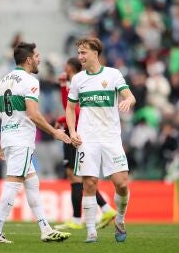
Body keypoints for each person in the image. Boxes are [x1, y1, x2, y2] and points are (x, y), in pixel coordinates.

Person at [0, 42, 71, 243]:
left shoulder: (3, 80)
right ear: (28, 59)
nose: (39, 59)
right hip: (21, 139)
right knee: (14, 182)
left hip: (8, 138)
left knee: (32, 182)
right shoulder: (30, 81)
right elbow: (33, 114)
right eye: (37, 55)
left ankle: (45, 229)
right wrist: (54, 132)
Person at [66, 37, 136, 243]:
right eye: (78, 53)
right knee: (89, 183)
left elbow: (130, 96)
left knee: (121, 184)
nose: (80, 57)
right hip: (87, 139)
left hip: (111, 138)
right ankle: (91, 232)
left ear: (95, 53)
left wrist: (128, 101)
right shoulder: (78, 79)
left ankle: (120, 219)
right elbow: (70, 108)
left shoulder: (113, 74)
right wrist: (72, 131)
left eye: (83, 52)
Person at [54, 57, 117, 230]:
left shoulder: (76, 82)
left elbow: (73, 108)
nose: (63, 69)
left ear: (71, 68)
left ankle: (77, 219)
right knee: (79, 176)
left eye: (66, 66)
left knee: (76, 177)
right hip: (76, 130)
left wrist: (61, 119)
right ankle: (104, 209)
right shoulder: (80, 82)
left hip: (75, 132)